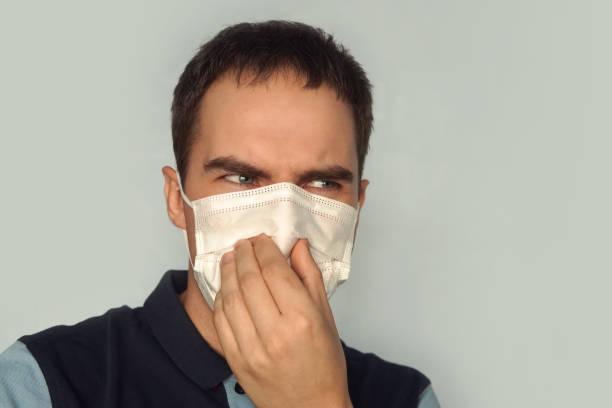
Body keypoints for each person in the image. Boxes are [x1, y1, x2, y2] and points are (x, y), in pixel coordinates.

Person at [0, 20, 441, 407]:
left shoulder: (405, 396)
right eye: (242, 178)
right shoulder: (44, 381)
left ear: (357, 209)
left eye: (322, 183)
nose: (282, 227)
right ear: (177, 197)